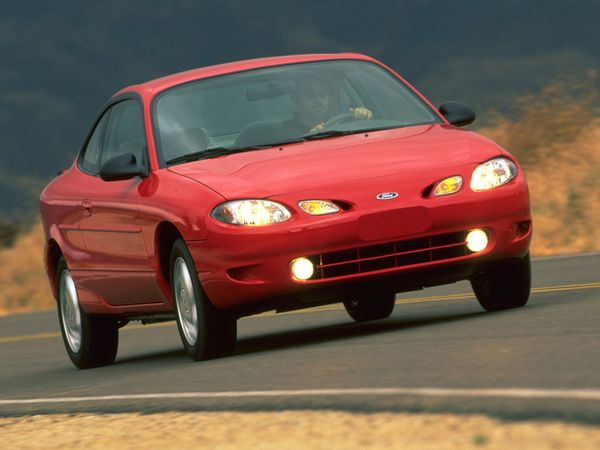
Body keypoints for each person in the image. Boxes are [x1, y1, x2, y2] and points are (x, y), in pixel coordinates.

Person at [283, 74, 373, 136]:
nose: (317, 100)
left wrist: (363, 119)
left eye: (322, 94)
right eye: (310, 95)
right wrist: (309, 137)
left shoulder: (343, 122)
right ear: (296, 100)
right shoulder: (286, 132)